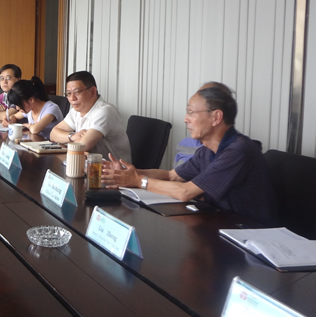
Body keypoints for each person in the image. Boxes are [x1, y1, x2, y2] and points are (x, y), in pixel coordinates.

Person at [102, 86, 277, 226]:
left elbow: (186, 192)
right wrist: (127, 172)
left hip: (251, 235)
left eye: (191, 112)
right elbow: (172, 175)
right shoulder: (207, 150)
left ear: (216, 117)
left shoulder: (238, 150)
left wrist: (137, 180)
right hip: (220, 224)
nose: (186, 119)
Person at [50, 71, 131, 161]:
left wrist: (65, 141)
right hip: (89, 165)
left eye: (77, 92)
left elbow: (82, 146)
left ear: (93, 91)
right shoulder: (76, 111)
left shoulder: (105, 111)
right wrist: (72, 136)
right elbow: (53, 134)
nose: (72, 98)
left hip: (114, 169)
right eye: (69, 93)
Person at [173, 81, 234, 167]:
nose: (185, 119)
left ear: (216, 116)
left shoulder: (234, 151)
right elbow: (173, 173)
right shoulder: (186, 142)